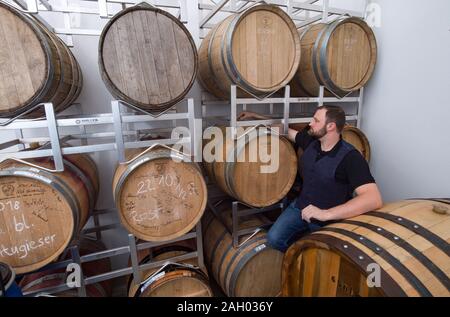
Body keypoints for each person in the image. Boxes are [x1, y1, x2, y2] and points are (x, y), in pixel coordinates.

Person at [237, 105, 383, 252]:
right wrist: (255, 116)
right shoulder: (312, 142)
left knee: (319, 255)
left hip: (329, 220)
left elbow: (373, 198)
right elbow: (285, 131)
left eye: (316, 120)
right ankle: (296, 256)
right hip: (300, 207)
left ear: (331, 126)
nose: (311, 123)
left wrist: (326, 214)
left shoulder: (351, 158)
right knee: (274, 239)